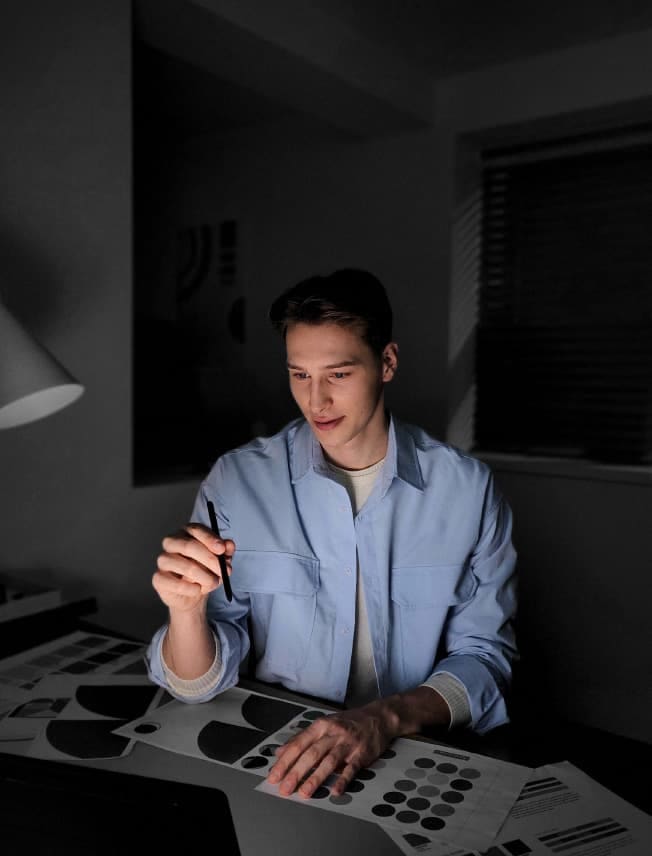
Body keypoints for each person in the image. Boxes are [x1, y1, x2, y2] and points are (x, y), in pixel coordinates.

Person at [145, 268, 518, 800]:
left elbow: (486, 661)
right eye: (299, 375)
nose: (315, 400)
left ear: (386, 362)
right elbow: (194, 683)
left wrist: (384, 718)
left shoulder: (469, 491)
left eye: (337, 375)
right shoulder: (236, 480)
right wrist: (185, 611)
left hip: (415, 758)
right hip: (278, 758)